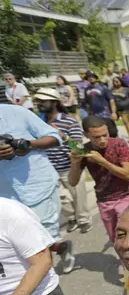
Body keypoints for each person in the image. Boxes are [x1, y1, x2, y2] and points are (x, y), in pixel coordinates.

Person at [0, 103, 75, 274]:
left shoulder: (16, 112)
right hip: (4, 195)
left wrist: (27, 145)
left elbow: (55, 137)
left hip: (37, 186)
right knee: (21, 240)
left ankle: (45, 286)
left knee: (41, 237)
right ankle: (61, 247)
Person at [69, 116, 129, 244]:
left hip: (125, 196)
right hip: (104, 200)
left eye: (105, 135)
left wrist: (103, 162)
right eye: (97, 137)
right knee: (115, 238)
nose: (102, 140)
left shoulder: (119, 144)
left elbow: (127, 174)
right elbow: (73, 182)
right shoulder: (85, 150)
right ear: (86, 135)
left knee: (127, 235)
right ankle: (124, 261)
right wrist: (75, 162)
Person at [34, 88, 92, 235]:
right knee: (61, 198)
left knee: (79, 196)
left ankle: (84, 219)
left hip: (70, 168)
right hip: (49, 169)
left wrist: (63, 136)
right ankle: (71, 217)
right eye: (37, 101)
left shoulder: (69, 122)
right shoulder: (37, 122)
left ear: (54, 102)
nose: (39, 104)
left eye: (43, 101)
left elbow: (79, 148)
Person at [83, 70, 118, 137]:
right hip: (94, 114)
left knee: (112, 132)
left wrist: (113, 112)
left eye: (92, 77)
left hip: (105, 113)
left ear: (96, 77)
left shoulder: (103, 87)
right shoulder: (87, 90)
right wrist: (89, 114)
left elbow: (111, 100)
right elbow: (87, 104)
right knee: (99, 133)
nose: (91, 78)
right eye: (89, 77)